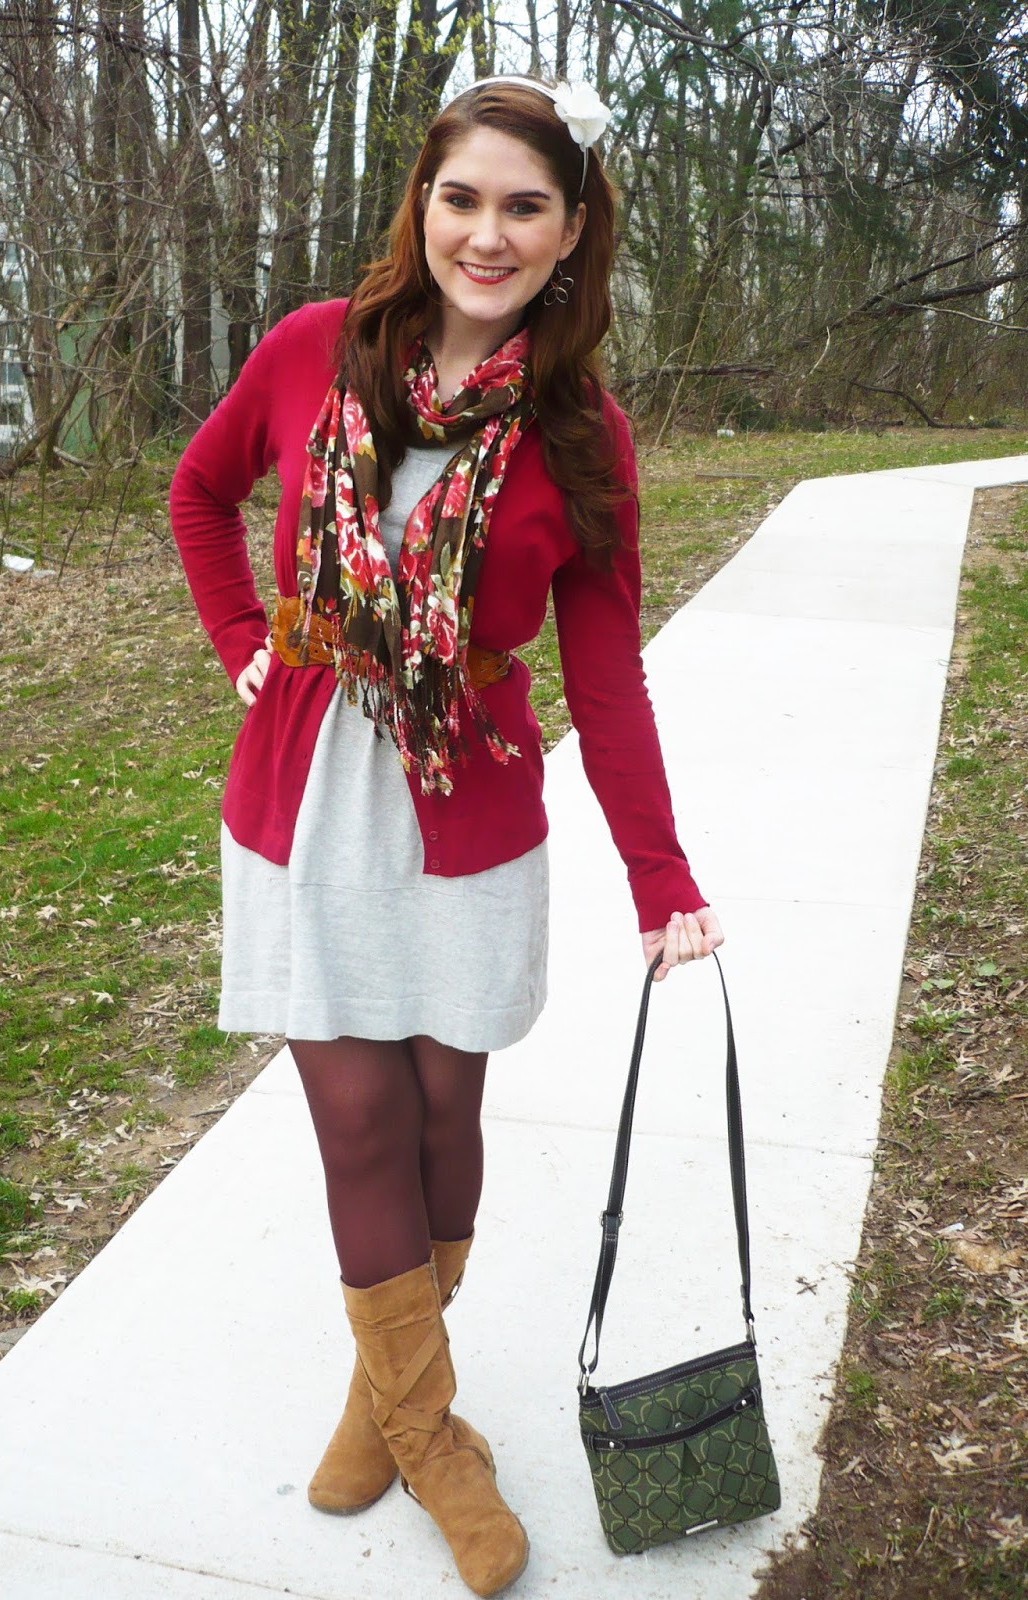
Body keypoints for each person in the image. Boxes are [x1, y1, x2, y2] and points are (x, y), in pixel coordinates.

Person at [170, 73, 723, 1600]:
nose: (487, 233)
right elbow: (201, 491)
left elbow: (604, 673)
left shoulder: (581, 431)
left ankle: (379, 1397)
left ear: (571, 231)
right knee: (355, 1121)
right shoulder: (310, 353)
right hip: (303, 805)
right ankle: (431, 1436)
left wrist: (662, 878)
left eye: (524, 207)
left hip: (466, 811)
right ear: (423, 203)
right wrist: (240, 639)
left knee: (441, 1120)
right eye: (462, 197)